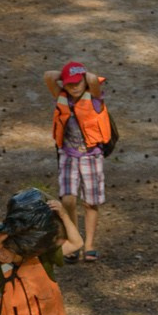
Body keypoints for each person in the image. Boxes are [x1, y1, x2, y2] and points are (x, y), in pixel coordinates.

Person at [48, 62, 112, 261]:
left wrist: (82, 75)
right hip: (68, 155)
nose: (74, 87)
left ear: (84, 82)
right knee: (67, 199)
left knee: (90, 203)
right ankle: (74, 240)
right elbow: (48, 75)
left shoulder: (94, 98)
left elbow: (93, 80)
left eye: (78, 83)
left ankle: (90, 244)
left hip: (91, 155)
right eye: (69, 84)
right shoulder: (62, 97)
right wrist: (66, 74)